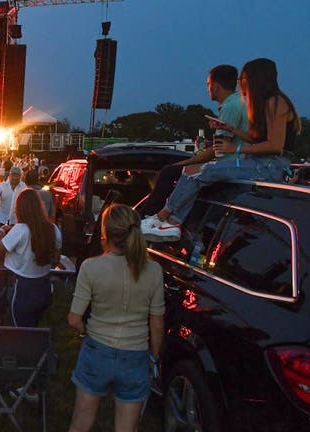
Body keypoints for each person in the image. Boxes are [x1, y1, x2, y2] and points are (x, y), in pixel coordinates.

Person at [141, 58, 300, 241]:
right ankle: (172, 223)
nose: (240, 83)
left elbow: (275, 146)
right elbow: (260, 140)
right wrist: (230, 129)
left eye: (243, 78)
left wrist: (235, 148)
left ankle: (161, 218)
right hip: (264, 163)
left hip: (270, 166)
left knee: (195, 171)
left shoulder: (275, 102)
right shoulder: (267, 103)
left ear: (257, 78)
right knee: (193, 172)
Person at [67, 204, 164, 432]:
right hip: (135, 356)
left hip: (97, 350)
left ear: (105, 233)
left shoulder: (91, 267)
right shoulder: (153, 271)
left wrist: (84, 331)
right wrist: (154, 357)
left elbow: (73, 319)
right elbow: (156, 320)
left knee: (80, 425)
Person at [138, 65, 249, 217]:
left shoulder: (230, 106)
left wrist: (183, 164)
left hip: (228, 166)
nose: (207, 89)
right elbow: (227, 142)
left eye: (208, 84)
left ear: (216, 86)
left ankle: (149, 217)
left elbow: (217, 151)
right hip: (237, 163)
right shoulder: (240, 102)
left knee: (168, 173)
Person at [0, 188, 61, 327]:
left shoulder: (20, 230)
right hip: (44, 287)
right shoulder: (53, 229)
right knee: (33, 327)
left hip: (22, 289)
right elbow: (55, 260)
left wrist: (1, 231)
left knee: (20, 333)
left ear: (19, 209)